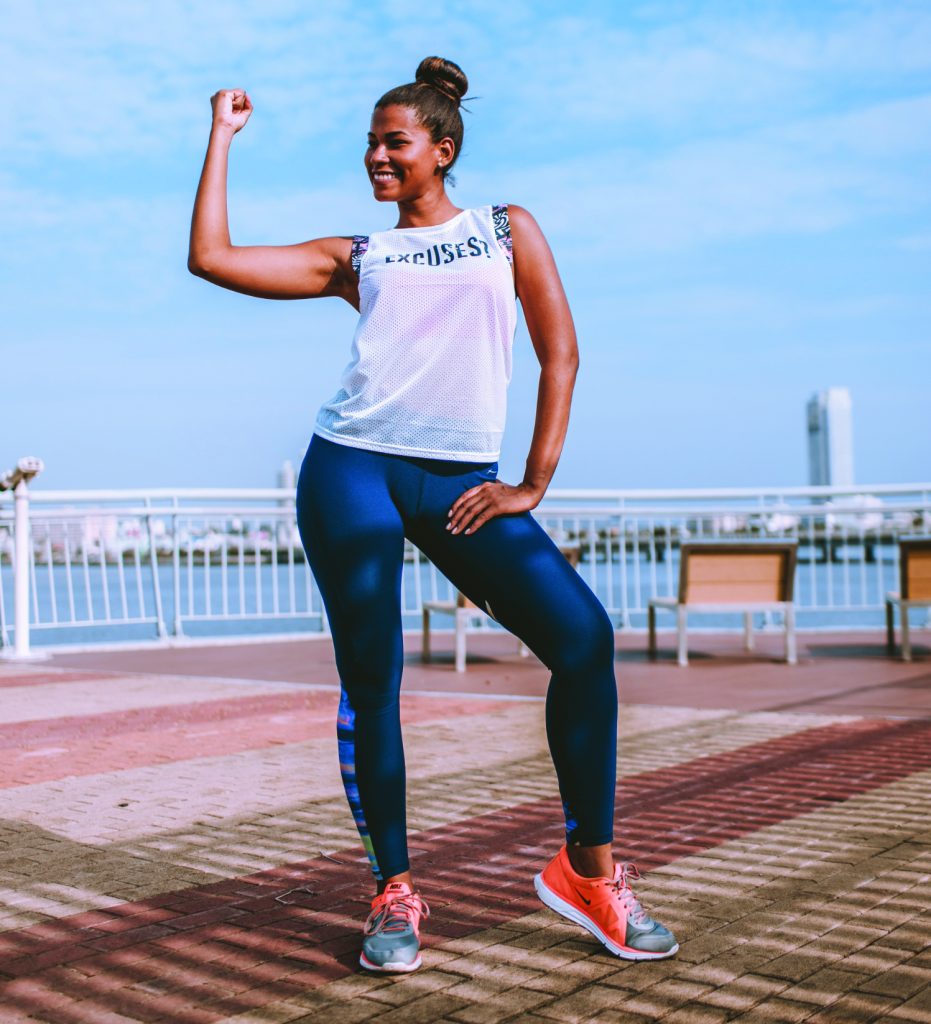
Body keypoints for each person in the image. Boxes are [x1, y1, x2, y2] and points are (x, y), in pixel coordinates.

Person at [188, 56, 678, 974]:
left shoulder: (506, 229)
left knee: (583, 640)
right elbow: (211, 258)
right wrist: (221, 137)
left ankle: (587, 872)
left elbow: (559, 353)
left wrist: (532, 483)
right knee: (374, 682)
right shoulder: (359, 255)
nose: (375, 156)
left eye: (393, 142)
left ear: (440, 150)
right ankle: (393, 893)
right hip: (351, 471)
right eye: (370, 143)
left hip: (461, 483)